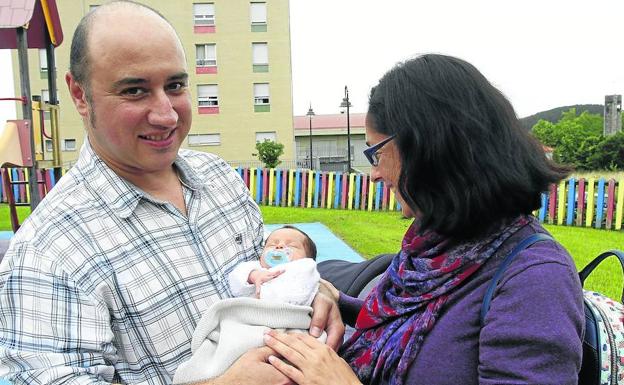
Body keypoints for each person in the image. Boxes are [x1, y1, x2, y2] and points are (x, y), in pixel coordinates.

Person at [0, 2, 343, 384]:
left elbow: (262, 276)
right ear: (80, 95)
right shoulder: (49, 252)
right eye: (135, 90)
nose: (166, 115)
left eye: (175, 86)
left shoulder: (220, 180)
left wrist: (318, 291)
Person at [263, 54, 585, 385]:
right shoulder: (434, 243)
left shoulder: (535, 279)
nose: (373, 174)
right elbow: (412, 323)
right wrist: (335, 298)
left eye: (377, 152)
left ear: (429, 146)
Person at [172, 226, 323, 384]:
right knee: (227, 348)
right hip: (248, 322)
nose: (279, 247)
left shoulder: (304, 269)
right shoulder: (255, 268)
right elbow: (236, 281)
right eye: (273, 244)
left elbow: (302, 291)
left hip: (287, 322)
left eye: (290, 245)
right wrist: (254, 276)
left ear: (308, 259)